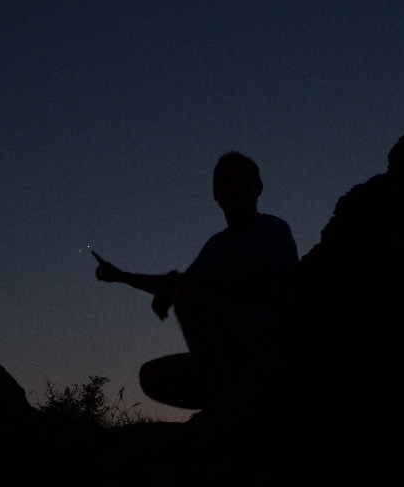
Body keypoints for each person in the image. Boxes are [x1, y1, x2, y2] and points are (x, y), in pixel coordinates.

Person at [93, 151, 298, 409]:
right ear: (215, 194)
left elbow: (245, 274)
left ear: (258, 188)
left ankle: (227, 407)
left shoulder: (273, 228)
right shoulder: (216, 244)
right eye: (225, 183)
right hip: (228, 360)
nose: (233, 187)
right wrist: (121, 276)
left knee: (189, 294)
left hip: (272, 344)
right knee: (152, 376)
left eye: (241, 181)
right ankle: (227, 399)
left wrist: (175, 284)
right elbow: (177, 284)